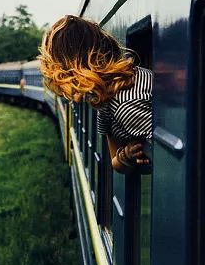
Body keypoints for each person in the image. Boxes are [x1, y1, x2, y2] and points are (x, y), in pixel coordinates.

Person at [39, 15, 152, 173]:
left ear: (80, 69)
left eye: (65, 79)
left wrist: (129, 156)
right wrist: (125, 155)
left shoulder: (125, 106)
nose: (67, 96)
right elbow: (115, 161)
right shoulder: (109, 102)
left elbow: (167, 161)